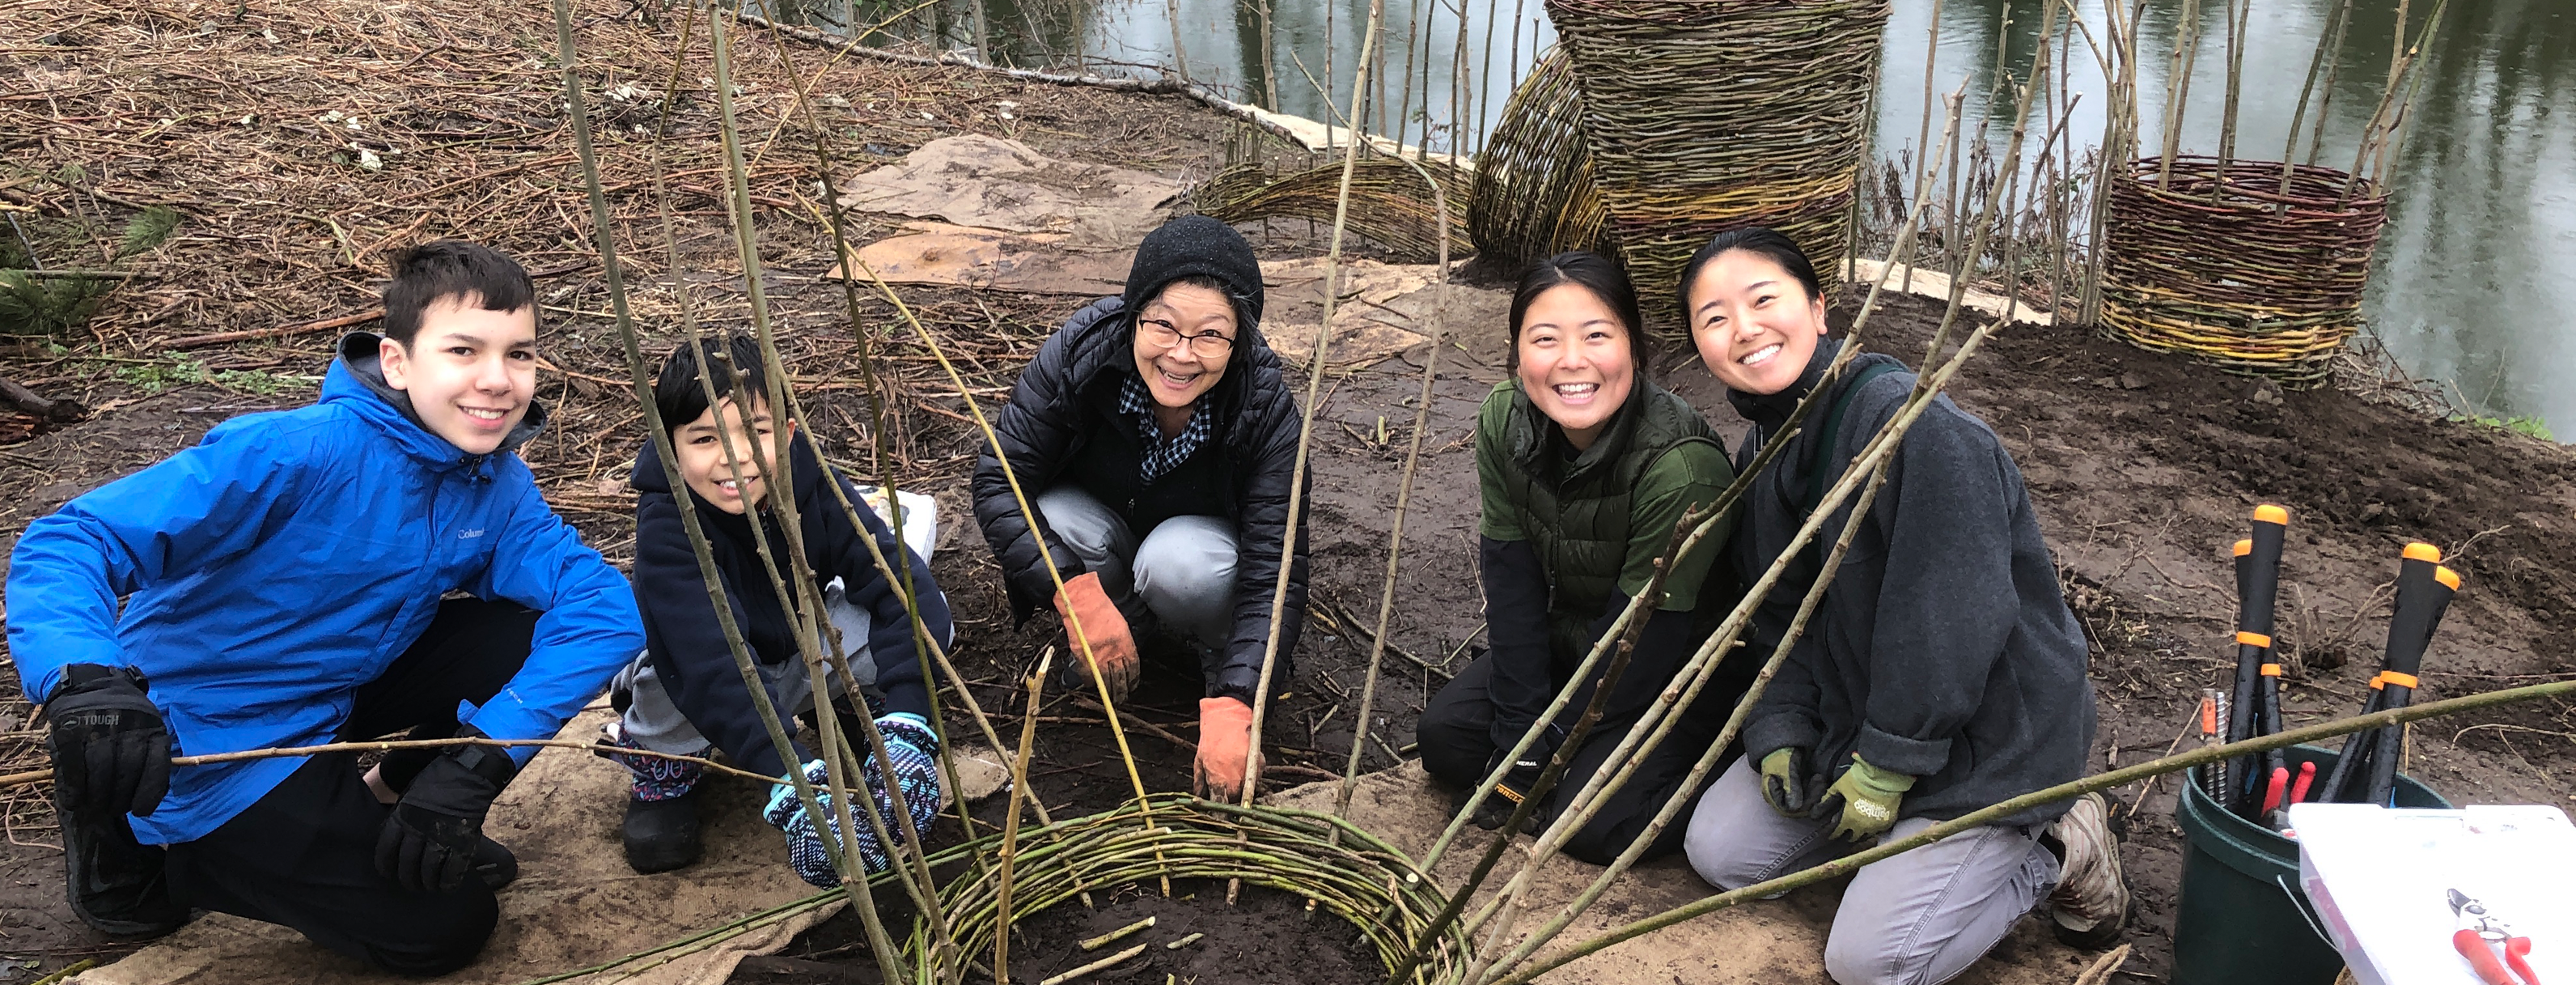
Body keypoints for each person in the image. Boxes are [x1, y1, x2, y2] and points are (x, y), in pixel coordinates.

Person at [6, 241, 643, 975]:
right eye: (463, 350)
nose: (498, 381)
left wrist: (476, 765)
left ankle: (383, 796)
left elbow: (603, 608)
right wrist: (85, 678)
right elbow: (72, 537)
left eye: (520, 354)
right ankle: (129, 835)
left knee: (525, 631)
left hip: (332, 693)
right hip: (199, 737)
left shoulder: (493, 484)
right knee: (447, 926)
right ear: (398, 362)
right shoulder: (294, 451)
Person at [1673, 227, 2129, 985]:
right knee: (1722, 852)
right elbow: (1776, 618)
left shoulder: (1915, 428)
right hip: (1858, 717)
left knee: (1870, 962)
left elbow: (1950, 615)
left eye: (1763, 300)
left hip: (1985, 740)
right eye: (1713, 317)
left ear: (1819, 310)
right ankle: (1897, 848)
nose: (1744, 329)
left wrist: (1889, 763)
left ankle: (2056, 841)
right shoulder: (1765, 447)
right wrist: (1782, 724)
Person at [1413, 251, 1751, 866]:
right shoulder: (1502, 422)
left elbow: (1642, 643)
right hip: (1571, 644)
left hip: (1671, 669)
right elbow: (1511, 585)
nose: (1572, 361)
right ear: (1518, 355)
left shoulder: (1681, 468)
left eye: (1597, 335)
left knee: (1591, 823)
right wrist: (1522, 731)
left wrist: (1551, 746)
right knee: (1447, 743)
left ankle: (1726, 758)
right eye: (1545, 339)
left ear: (1636, 348)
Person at [972, 215, 1307, 801]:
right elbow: (998, 479)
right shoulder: (1081, 354)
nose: (1182, 355)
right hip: (1104, 532)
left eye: (1210, 335)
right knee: (1053, 514)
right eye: (1164, 327)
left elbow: (1276, 569)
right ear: (1135, 316)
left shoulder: (1265, 409)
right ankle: (1124, 627)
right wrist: (1073, 594)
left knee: (1178, 562)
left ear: (1240, 340)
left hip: (1195, 554)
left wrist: (1241, 699)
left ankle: (1215, 656)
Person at [599, 333, 952, 885]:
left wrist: (910, 713)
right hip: (707, 675)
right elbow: (713, 665)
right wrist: (791, 780)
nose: (735, 458)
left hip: (802, 645)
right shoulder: (670, 524)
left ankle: (869, 717)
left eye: (755, 431)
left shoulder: (811, 484)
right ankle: (668, 772)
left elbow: (900, 583)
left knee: (888, 620)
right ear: (670, 449)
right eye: (703, 438)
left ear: (786, 433)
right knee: (671, 684)